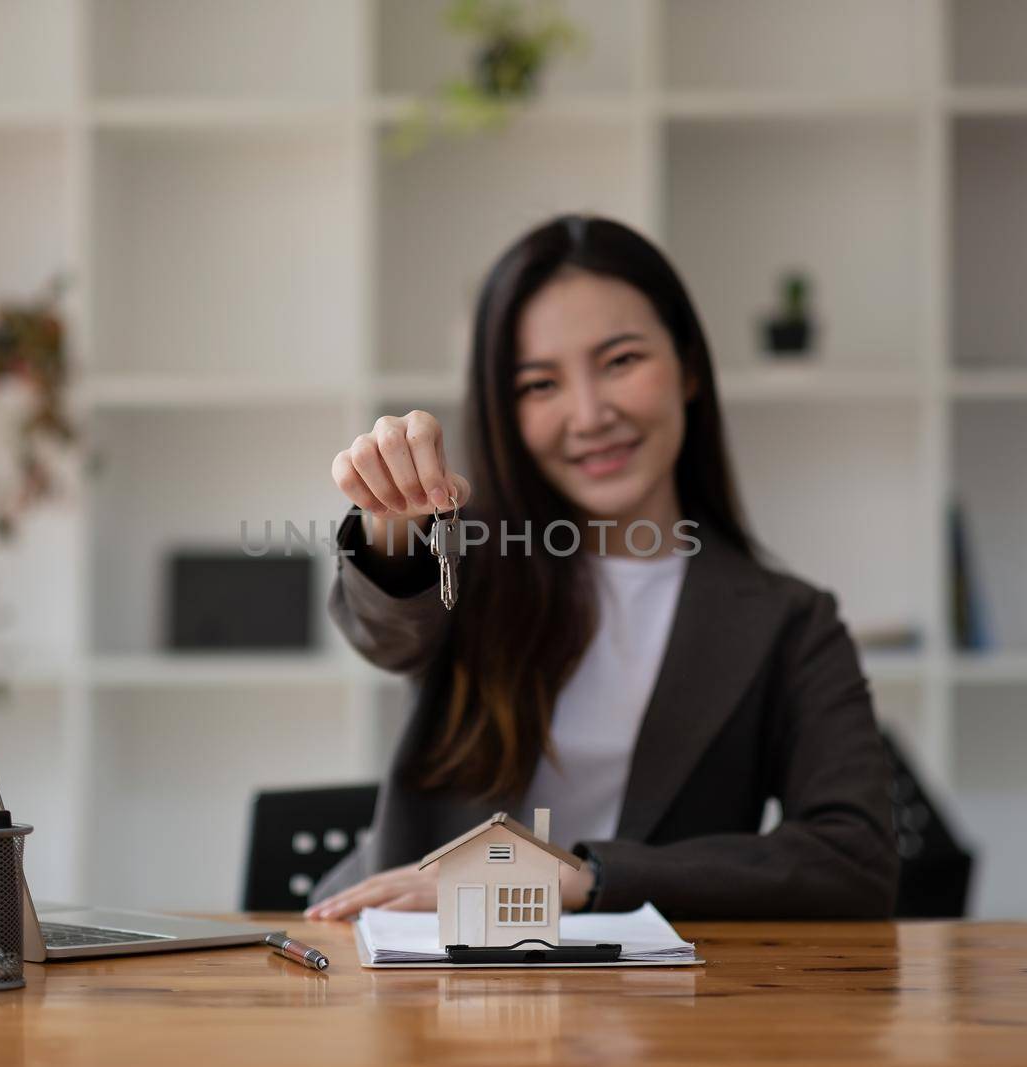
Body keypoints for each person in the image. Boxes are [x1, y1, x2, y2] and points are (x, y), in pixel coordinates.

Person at [307, 214, 897, 921]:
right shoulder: (473, 567)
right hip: (421, 973)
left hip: (666, 1005)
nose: (589, 414)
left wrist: (585, 876)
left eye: (620, 361)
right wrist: (393, 520)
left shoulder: (788, 621)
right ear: (505, 412)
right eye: (539, 384)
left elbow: (855, 858)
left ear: (687, 369)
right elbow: (387, 631)